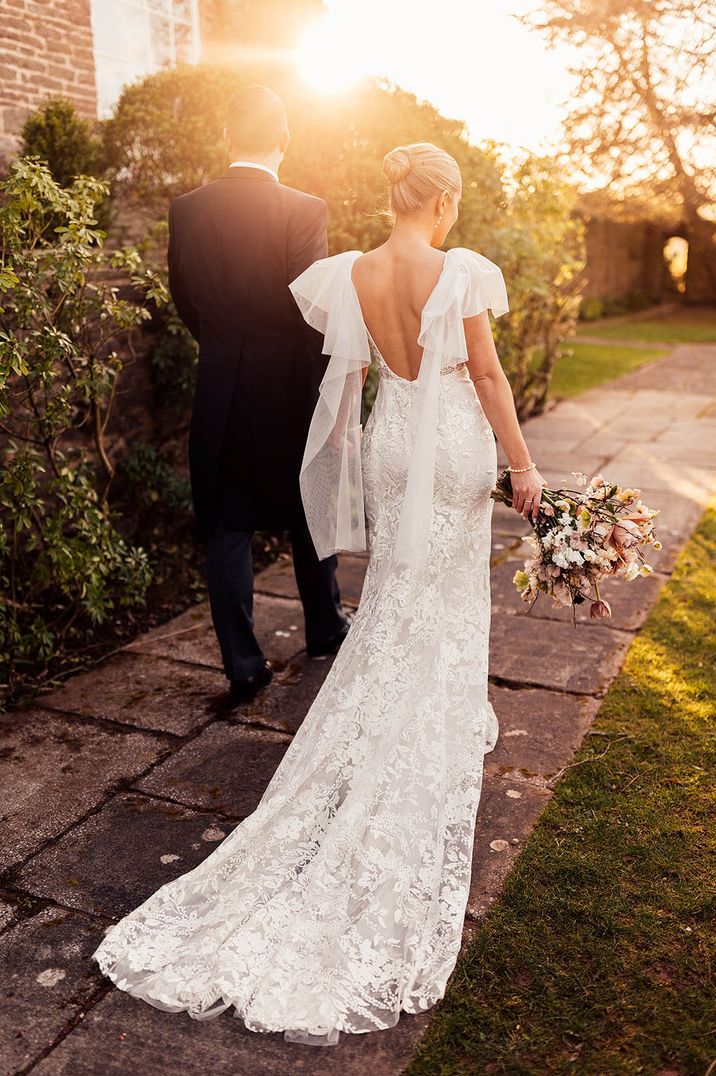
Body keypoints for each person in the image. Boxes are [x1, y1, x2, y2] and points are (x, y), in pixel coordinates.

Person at [92, 141, 546, 1045]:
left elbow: (347, 388)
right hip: (449, 442)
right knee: (444, 591)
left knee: (396, 594)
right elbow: (488, 375)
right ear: (444, 201)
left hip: (390, 441)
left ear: (394, 197)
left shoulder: (352, 272)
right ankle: (440, 707)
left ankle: (404, 701)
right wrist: (524, 464)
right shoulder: (461, 270)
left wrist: (339, 461)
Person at [167, 84, 350, 704]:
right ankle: (324, 628)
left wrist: (224, 345)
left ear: (225, 138)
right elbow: (312, 307)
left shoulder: (186, 208)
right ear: (285, 139)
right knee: (308, 505)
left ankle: (244, 664)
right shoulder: (305, 208)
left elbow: (183, 297)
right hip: (291, 382)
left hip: (221, 379)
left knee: (226, 520)